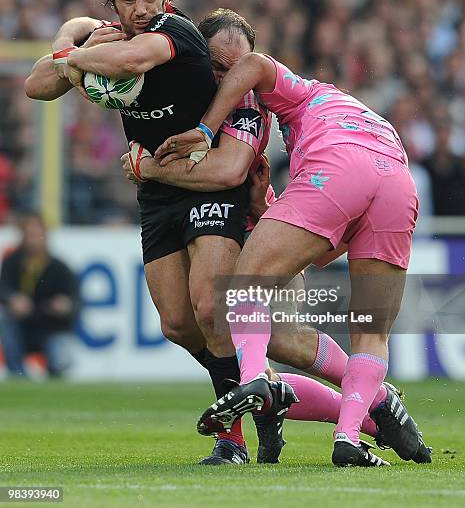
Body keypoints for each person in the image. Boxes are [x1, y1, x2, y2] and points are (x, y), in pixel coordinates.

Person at [24, 0, 340, 465]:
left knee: (214, 306)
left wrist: (79, 57)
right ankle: (262, 396)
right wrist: (69, 43)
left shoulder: (175, 34)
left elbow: (131, 65)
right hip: (160, 197)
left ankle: (252, 432)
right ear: (115, 3)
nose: (142, 9)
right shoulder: (109, 39)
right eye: (129, 1)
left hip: (213, 189)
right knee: (177, 322)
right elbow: (37, 85)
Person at [154, 49, 432, 466]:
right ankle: (351, 436)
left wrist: (204, 129)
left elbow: (254, 64)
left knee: (243, 286)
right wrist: (269, 211)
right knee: (370, 331)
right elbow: (324, 245)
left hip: (337, 168)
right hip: (397, 180)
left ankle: (254, 382)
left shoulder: (304, 94)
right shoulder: (361, 116)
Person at [0, 213, 79, 377]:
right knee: (3, 316)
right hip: (21, 327)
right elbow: (3, 287)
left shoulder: (59, 267)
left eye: (37, 235)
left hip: (51, 327)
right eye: (29, 235)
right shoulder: (12, 262)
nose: (33, 240)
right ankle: (16, 373)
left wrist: (64, 305)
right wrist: (12, 299)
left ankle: (55, 373)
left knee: (61, 361)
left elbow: (76, 299)